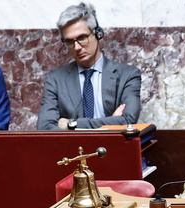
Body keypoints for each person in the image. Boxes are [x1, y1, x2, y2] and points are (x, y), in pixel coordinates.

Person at [37, 2, 141, 130]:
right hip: (72, 149)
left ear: (98, 34)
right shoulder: (56, 80)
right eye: (70, 41)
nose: (77, 47)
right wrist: (111, 123)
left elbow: (128, 121)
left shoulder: (127, 75)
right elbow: (44, 127)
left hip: (113, 148)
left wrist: (71, 124)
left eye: (82, 38)